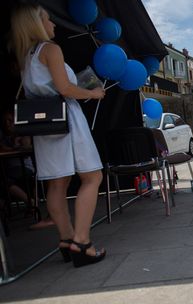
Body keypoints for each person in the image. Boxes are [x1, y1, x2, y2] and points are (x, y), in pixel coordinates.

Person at [10, 3, 106, 267]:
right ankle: (81, 242)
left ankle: (66, 240)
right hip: (66, 119)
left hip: (45, 125)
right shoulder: (50, 49)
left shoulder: (25, 55)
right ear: (36, 24)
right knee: (92, 176)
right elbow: (65, 88)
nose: (53, 24)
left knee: (57, 183)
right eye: (48, 19)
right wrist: (93, 93)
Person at [0, 111, 54, 230]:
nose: (7, 124)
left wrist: (17, 145)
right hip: (10, 168)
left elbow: (27, 147)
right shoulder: (4, 137)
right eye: (5, 122)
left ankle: (30, 201)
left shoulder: (22, 134)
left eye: (10, 121)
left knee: (5, 182)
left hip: (24, 167)